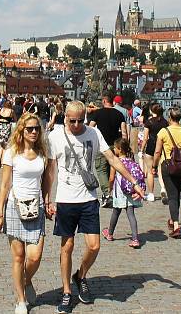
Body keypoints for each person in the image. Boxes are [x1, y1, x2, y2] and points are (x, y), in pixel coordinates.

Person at [45, 101, 145, 313]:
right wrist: (47, 199)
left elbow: (113, 160)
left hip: (89, 198)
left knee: (94, 246)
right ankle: (66, 291)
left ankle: (80, 275)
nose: (77, 124)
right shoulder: (55, 136)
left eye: (81, 120)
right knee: (67, 246)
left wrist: (134, 182)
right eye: (72, 120)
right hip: (66, 199)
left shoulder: (93, 133)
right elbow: (50, 172)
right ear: (65, 118)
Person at [0, 113, 52, 314]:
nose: (34, 132)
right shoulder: (12, 152)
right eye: (29, 129)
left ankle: (26, 281)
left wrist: (47, 199)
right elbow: (5, 184)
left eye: (36, 128)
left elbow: (46, 180)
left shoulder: (43, 152)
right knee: (18, 257)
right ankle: (20, 300)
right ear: (21, 130)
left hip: (37, 208)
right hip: (14, 207)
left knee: (34, 256)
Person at [152, 106, 181, 238]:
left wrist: (154, 166)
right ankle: (172, 219)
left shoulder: (163, 132)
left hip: (168, 165)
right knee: (176, 193)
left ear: (170, 117)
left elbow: (157, 152)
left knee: (172, 195)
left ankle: (176, 226)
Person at [102, 138, 144, 248]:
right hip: (130, 190)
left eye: (115, 148)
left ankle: (110, 234)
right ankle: (135, 238)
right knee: (131, 214)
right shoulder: (131, 161)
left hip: (119, 191)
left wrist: (109, 189)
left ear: (119, 149)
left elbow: (111, 178)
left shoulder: (116, 162)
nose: (114, 149)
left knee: (115, 212)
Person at [88, 93, 128, 207]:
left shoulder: (98, 113)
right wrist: (125, 146)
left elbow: (90, 128)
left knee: (101, 169)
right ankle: (116, 193)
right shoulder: (119, 114)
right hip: (115, 146)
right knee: (114, 170)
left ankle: (106, 194)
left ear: (105, 101)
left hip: (102, 145)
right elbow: (124, 131)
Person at [142, 103, 168, 202]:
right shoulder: (165, 122)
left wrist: (141, 149)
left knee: (150, 171)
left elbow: (145, 138)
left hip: (151, 146)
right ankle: (163, 188)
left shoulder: (149, 122)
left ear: (152, 111)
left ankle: (151, 194)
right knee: (161, 170)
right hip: (161, 147)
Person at [0, 101, 15, 167]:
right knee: (5, 146)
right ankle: (3, 162)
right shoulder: (11, 111)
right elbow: (15, 119)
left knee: (1, 145)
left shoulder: (1, 109)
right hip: (6, 127)